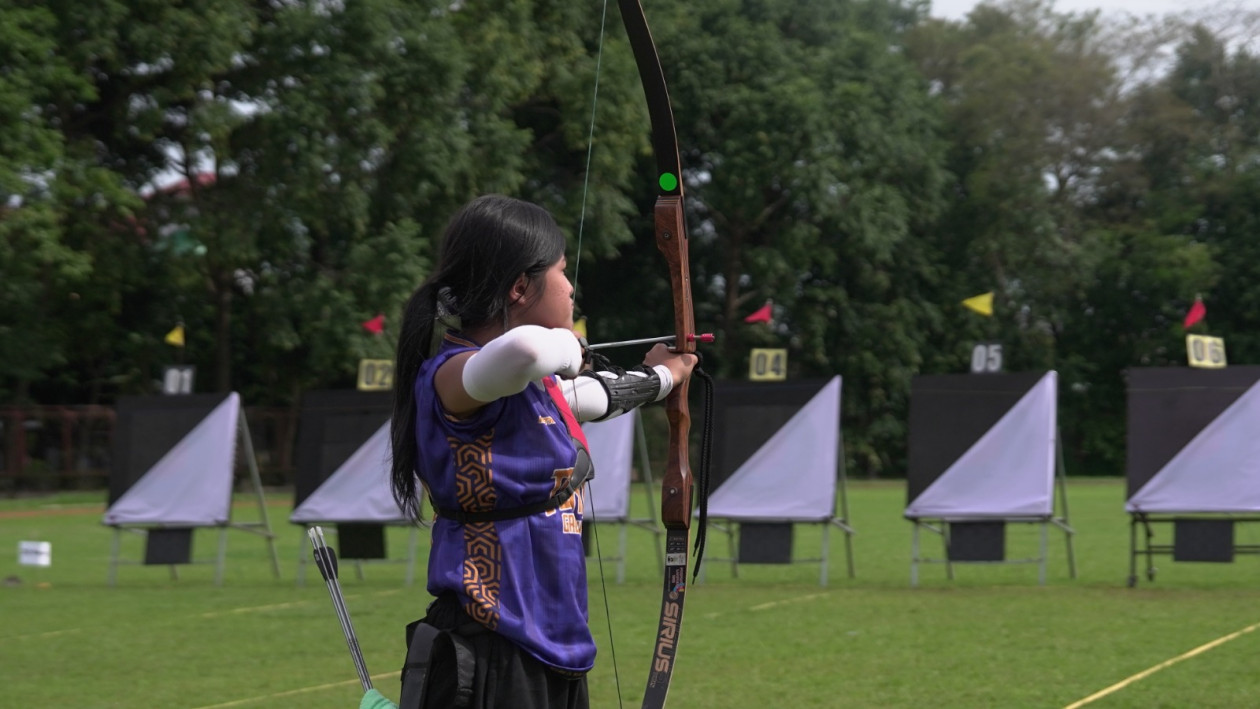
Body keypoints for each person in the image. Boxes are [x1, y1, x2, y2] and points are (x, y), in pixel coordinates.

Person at [371, 194, 698, 709]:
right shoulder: (455, 375)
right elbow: (526, 352)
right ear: (520, 286)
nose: (570, 287)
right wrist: (568, 346)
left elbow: (589, 397)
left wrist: (663, 377)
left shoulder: (524, 391)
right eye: (563, 272)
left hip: (554, 643)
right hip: (490, 642)